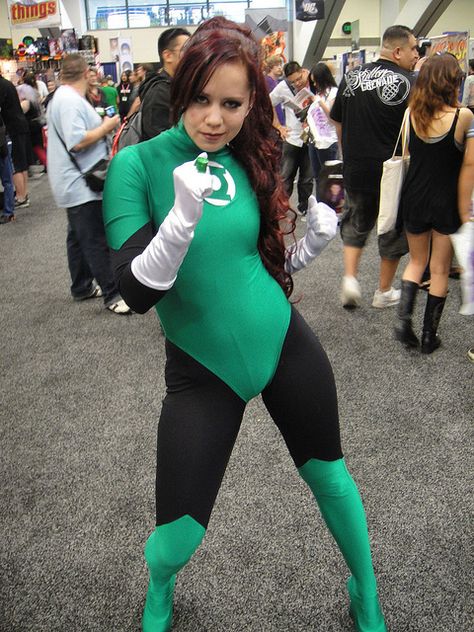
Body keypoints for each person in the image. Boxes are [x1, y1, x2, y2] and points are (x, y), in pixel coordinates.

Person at [103, 17, 387, 632]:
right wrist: (176, 225)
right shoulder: (137, 166)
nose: (214, 118)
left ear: (250, 102)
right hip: (203, 371)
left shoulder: (243, 159)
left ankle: (365, 591)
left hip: (283, 341)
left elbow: (253, 261)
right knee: (174, 540)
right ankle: (161, 584)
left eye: (231, 104)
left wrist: (309, 246)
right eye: (201, 99)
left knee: (333, 481)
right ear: (181, 92)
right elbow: (132, 291)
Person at [330, 25, 419, 309]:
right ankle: (383, 291)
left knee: (356, 221)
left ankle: (350, 279)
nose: (417, 54)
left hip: (356, 165)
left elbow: (337, 120)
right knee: (391, 226)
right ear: (397, 51)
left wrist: (348, 150)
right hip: (393, 169)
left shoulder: (352, 76)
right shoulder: (411, 82)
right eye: (413, 49)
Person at [394, 54, 473, 353]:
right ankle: (429, 336)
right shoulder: (463, 116)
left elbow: (406, 155)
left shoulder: (410, 114)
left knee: (416, 262)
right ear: (452, 83)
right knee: (439, 269)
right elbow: (469, 167)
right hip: (446, 201)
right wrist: (465, 210)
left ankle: (403, 323)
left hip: (413, 196)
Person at [46, 54, 131, 314]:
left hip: (75, 180)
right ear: (86, 73)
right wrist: (108, 126)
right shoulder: (69, 100)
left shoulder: (63, 98)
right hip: (81, 181)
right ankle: (112, 293)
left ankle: (81, 286)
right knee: (94, 237)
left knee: (77, 235)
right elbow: (77, 141)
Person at [269, 61, 314, 217]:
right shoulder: (283, 87)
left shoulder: (314, 83)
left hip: (311, 137)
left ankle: (305, 207)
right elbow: (269, 102)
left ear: (302, 71)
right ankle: (282, 207)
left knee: (307, 178)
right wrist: (278, 126)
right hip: (292, 137)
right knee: (286, 176)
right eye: (292, 81)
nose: (296, 83)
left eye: (298, 79)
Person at [138, 28, 191, 140]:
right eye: (186, 50)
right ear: (168, 56)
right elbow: (158, 139)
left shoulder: (176, 87)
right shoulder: (160, 91)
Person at [0, 68, 30, 208]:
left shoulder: (1, 86)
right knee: (21, 162)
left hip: (12, 127)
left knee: (15, 164)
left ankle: (20, 196)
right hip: (21, 124)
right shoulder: (8, 84)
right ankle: (24, 194)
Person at [306, 62, 339, 191]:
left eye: (316, 81)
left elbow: (332, 116)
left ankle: (330, 207)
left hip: (329, 140)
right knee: (318, 177)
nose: (314, 85)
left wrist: (319, 102)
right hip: (315, 140)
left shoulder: (334, 92)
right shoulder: (319, 93)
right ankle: (321, 206)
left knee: (329, 177)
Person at [0, 111, 15, 224]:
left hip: (2, 145)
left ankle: (8, 212)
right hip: (3, 144)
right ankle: (8, 212)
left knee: (7, 181)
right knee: (7, 180)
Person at [263, 54, 285, 126]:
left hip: (280, 114)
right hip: (273, 118)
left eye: (280, 65)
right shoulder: (268, 81)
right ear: (270, 67)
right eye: (276, 65)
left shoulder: (277, 82)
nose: (279, 68)